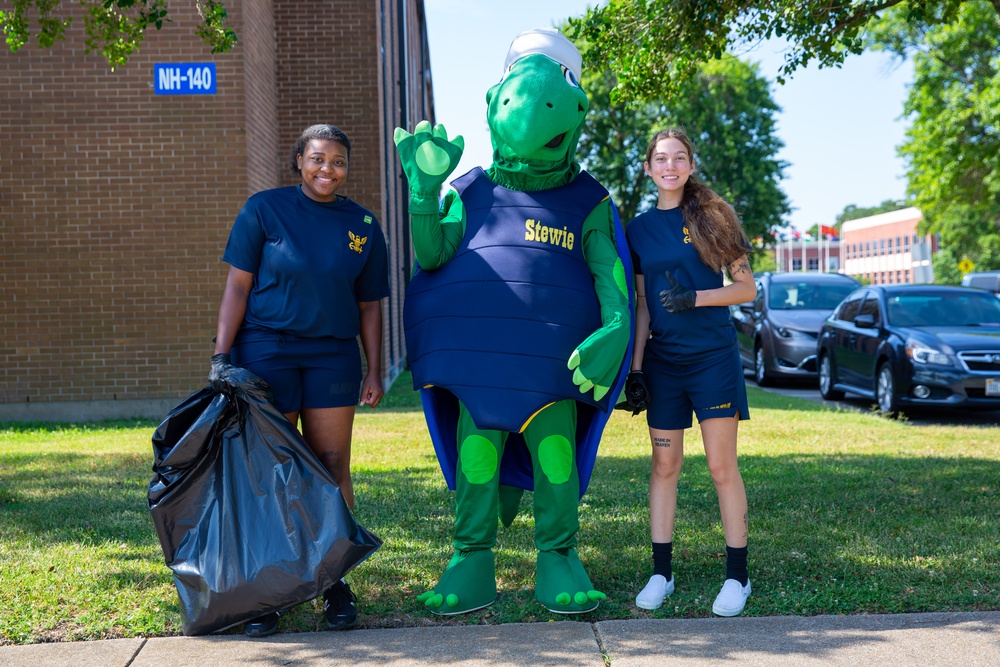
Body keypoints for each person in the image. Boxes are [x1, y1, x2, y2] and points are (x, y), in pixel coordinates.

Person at [210, 124, 390, 636]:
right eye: (317, 159)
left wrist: (374, 368)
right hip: (268, 351)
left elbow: (370, 304)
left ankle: (334, 580)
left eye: (337, 161)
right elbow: (237, 287)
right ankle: (268, 589)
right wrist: (222, 355)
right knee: (271, 471)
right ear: (298, 161)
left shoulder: (363, 224)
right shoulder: (264, 210)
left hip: (333, 356)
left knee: (333, 465)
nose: (326, 169)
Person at [624, 128, 757, 617]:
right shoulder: (636, 230)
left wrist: (695, 298)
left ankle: (737, 579)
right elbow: (641, 303)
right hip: (664, 363)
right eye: (661, 158)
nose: (670, 166)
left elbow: (746, 289)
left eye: (679, 158)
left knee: (722, 468)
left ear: (691, 165)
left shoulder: (712, 217)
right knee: (665, 466)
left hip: (712, 358)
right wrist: (636, 369)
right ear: (648, 168)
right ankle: (662, 573)